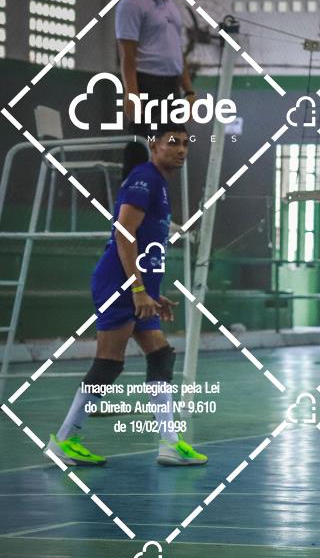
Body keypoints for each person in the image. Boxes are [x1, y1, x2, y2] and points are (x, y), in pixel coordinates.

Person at [48, 125, 207, 467]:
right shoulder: (144, 178)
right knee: (109, 362)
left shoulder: (158, 183)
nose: (181, 149)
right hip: (118, 284)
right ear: (154, 145)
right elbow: (124, 233)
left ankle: (170, 444)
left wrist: (151, 293)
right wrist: (137, 289)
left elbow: (147, 242)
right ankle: (64, 441)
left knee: (160, 355)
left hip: (135, 287)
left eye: (185, 144)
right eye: (173, 143)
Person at [116, 0, 195, 180]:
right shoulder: (132, 3)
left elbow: (177, 51)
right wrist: (132, 93)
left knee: (171, 149)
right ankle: (131, 196)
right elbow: (127, 55)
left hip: (171, 85)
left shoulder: (171, 4)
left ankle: (157, 195)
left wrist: (189, 91)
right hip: (147, 83)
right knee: (143, 144)